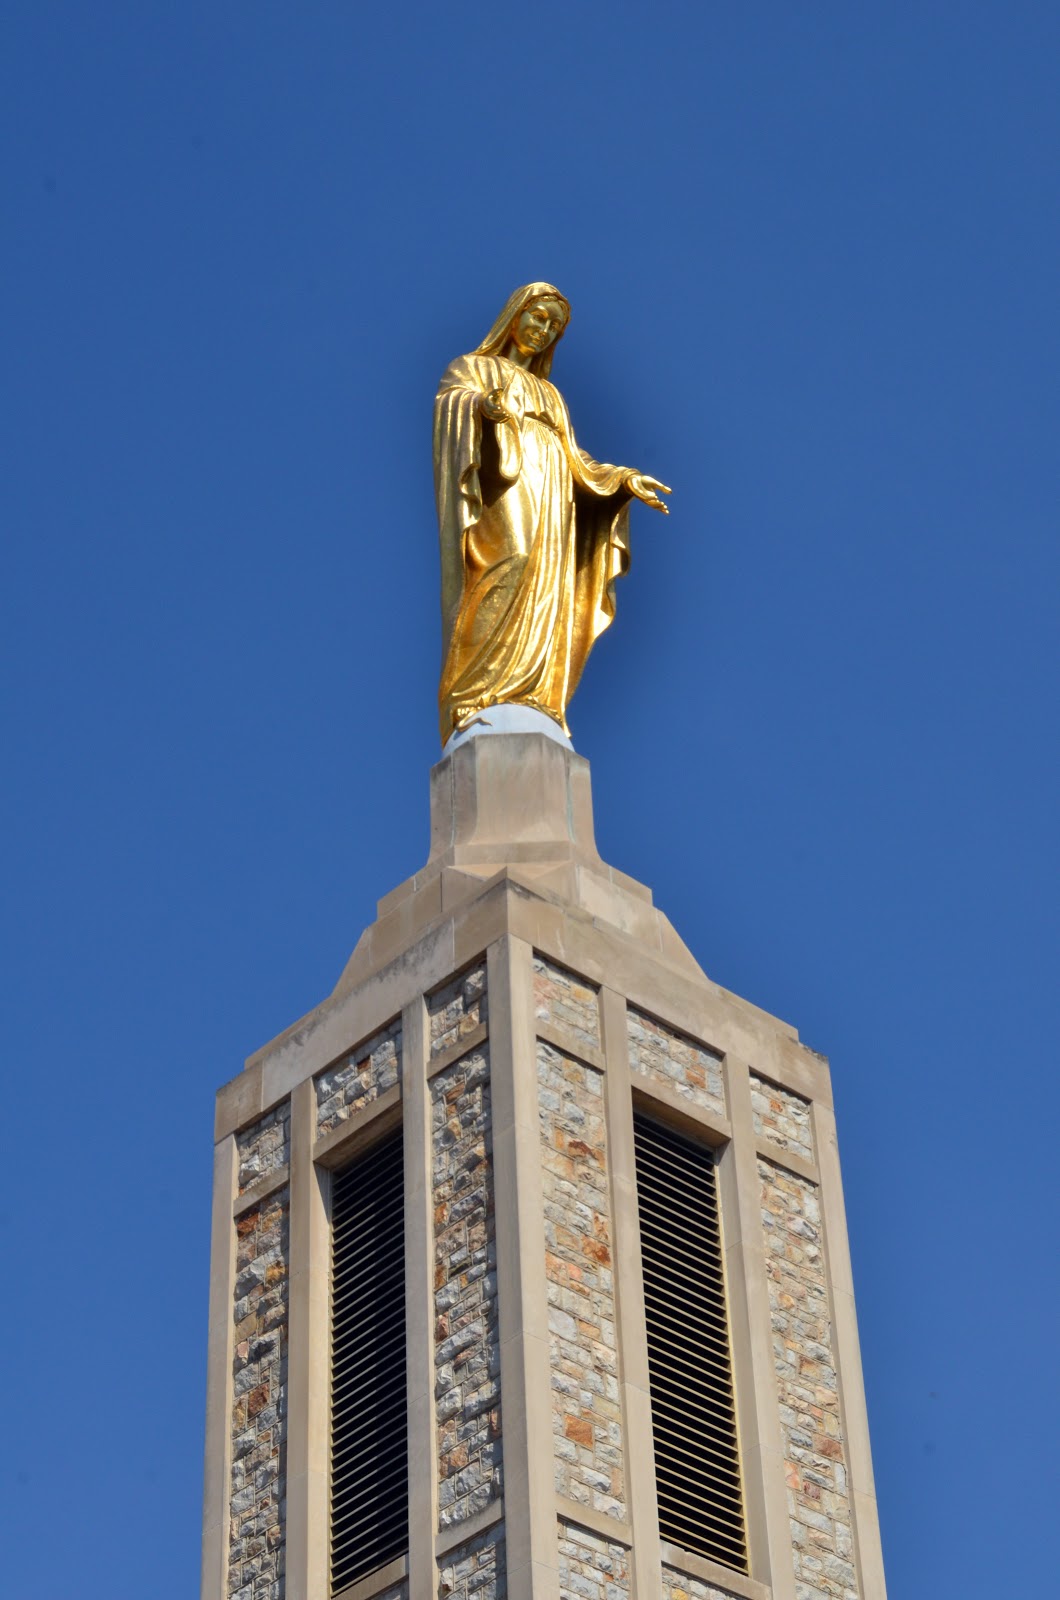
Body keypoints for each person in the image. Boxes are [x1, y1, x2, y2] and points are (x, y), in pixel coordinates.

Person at [433, 282, 670, 746]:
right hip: (505, 474)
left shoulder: (550, 394)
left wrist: (622, 478)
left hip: (553, 484)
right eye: (538, 318)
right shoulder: (475, 367)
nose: (543, 330)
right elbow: (450, 404)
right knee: (511, 561)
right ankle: (476, 694)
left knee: (548, 583)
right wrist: (481, 405)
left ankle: (533, 693)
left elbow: (576, 459)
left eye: (553, 326)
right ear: (515, 316)